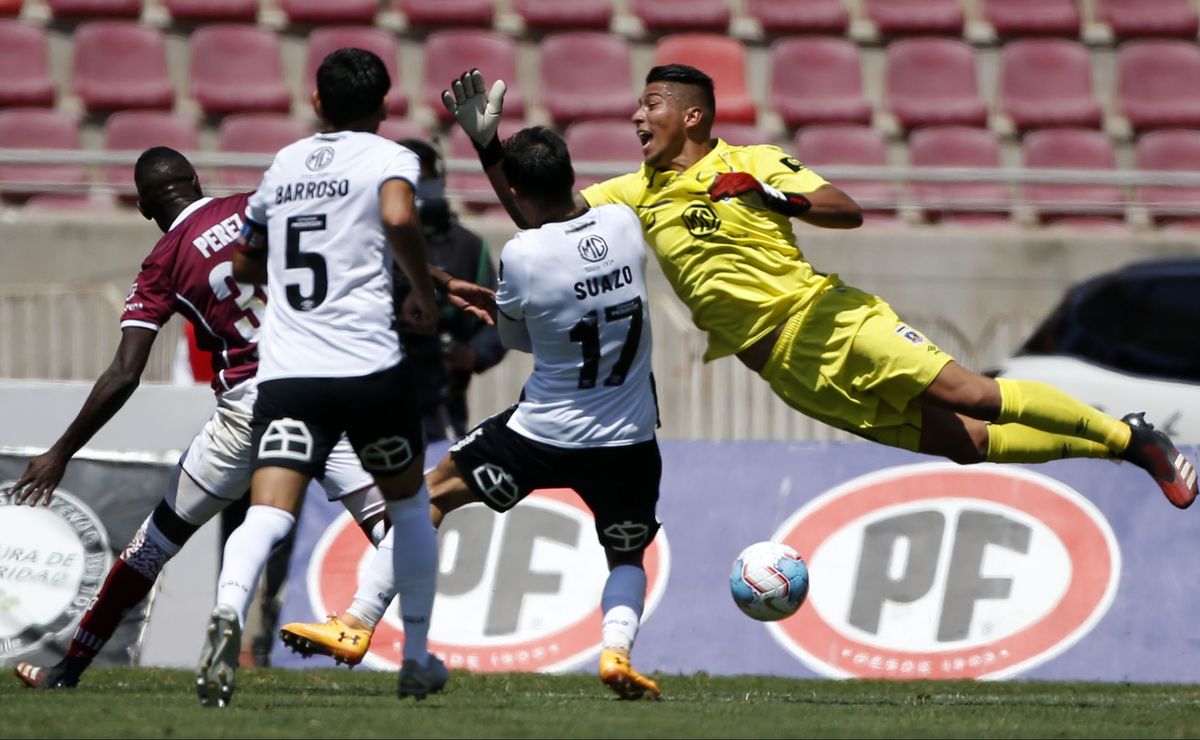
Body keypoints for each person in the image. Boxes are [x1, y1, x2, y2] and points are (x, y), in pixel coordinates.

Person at [441, 66, 1198, 509]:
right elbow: (537, 213)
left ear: (694, 116)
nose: (638, 116)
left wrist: (775, 198)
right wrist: (486, 142)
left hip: (829, 319)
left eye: (654, 106)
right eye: (640, 106)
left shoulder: (754, 160)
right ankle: (1116, 447)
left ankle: (1137, 440)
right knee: (966, 446)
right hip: (780, 367)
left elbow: (846, 209)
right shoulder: (633, 192)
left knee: (972, 395)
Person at [279, 127, 666, 700]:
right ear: (570, 174)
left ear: (514, 190)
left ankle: (356, 623)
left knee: (427, 499)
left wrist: (498, 298)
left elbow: (517, 339)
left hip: (542, 435)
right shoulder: (624, 224)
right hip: (631, 437)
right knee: (627, 553)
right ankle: (616, 651)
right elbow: (558, 223)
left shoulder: (524, 255)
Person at [8, 147, 393, 690]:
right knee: (396, 528)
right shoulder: (255, 206)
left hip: (244, 411)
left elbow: (123, 373)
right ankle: (368, 622)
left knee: (152, 547)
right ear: (195, 179)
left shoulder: (162, 263)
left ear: (144, 208)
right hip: (316, 395)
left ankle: (68, 668)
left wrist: (60, 451)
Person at [198, 48, 485, 707]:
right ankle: (414, 655)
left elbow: (246, 260)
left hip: (288, 373)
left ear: (318, 104)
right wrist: (421, 288)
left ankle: (225, 614)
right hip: (367, 371)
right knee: (412, 508)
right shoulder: (391, 160)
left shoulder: (284, 163)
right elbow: (394, 216)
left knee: (268, 511)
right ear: (384, 107)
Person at [393, 138, 507, 441]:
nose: (419, 184)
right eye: (409, 178)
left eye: (425, 176)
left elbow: (497, 317)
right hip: (384, 391)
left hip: (445, 400)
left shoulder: (468, 246)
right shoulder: (373, 245)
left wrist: (471, 355)